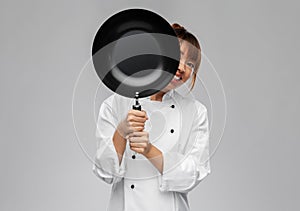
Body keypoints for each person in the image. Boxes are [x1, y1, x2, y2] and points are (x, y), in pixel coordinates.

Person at [93, 23, 210, 211]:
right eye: (178, 56)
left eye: (190, 64)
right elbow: (105, 173)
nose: (182, 68)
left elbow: (193, 175)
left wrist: (149, 150)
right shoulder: (115, 103)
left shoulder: (196, 112)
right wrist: (121, 132)